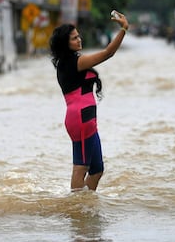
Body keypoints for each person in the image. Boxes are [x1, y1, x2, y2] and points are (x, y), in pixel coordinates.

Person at [49, 11, 129, 191]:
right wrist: (124, 28)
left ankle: (85, 205)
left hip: (86, 119)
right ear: (65, 44)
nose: (79, 40)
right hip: (81, 119)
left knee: (97, 170)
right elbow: (108, 53)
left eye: (78, 36)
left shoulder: (69, 61)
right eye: (74, 38)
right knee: (81, 168)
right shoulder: (74, 62)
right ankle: (76, 211)